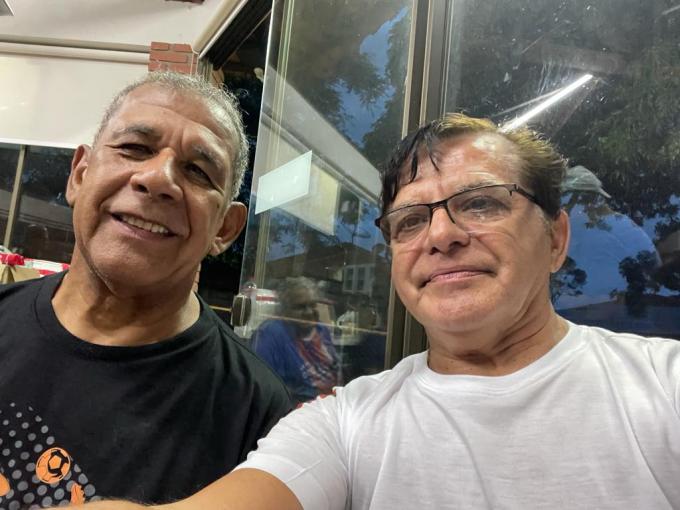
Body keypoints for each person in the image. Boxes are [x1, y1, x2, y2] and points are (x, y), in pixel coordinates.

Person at [50, 113, 680, 510]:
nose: (441, 235)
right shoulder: (348, 424)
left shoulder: (662, 386)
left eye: (481, 203)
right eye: (410, 220)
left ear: (557, 238)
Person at [0, 71, 292, 508]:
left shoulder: (256, 415)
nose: (157, 178)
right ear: (79, 174)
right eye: (134, 148)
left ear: (225, 229)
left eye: (198, 171)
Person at [252, 277, 339, 403]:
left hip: (332, 403)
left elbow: (334, 370)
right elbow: (265, 386)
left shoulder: (321, 329)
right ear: (284, 310)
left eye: (312, 305)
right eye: (300, 307)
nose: (309, 312)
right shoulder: (270, 333)